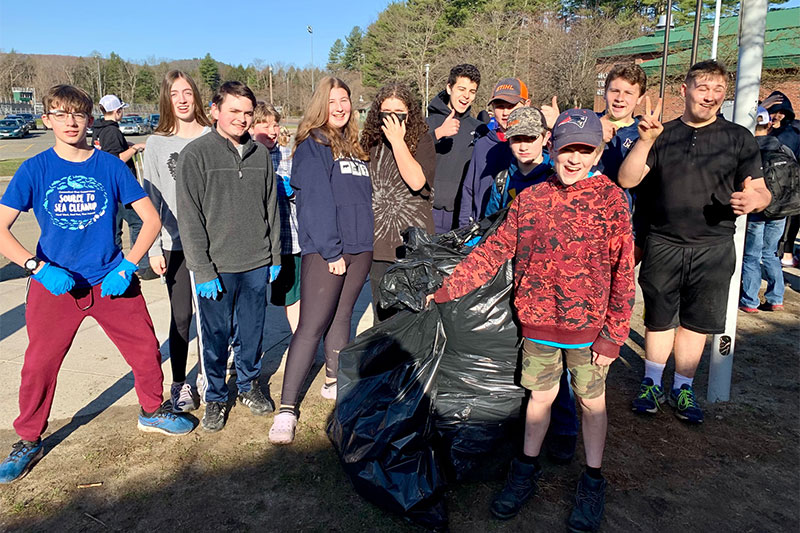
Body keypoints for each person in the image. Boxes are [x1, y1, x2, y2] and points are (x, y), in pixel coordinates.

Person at [430, 109, 634, 531]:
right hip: (540, 325)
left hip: (588, 331)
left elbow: (624, 271)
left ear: (596, 153)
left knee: (590, 403)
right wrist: (449, 288)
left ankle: (593, 479)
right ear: (552, 148)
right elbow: (492, 251)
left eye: (584, 150)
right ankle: (525, 469)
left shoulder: (611, 200)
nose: (574, 158)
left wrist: (614, 334)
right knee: (539, 399)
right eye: (567, 149)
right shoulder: (531, 199)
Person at [0, 85, 194, 484]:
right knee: (39, 365)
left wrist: (127, 266)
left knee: (143, 349)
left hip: (110, 281)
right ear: (47, 119)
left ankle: (152, 412)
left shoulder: (109, 166)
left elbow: (151, 219)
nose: (70, 122)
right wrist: (36, 266)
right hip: (55, 285)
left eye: (78, 114)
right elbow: (1, 228)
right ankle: (29, 439)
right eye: (60, 114)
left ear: (90, 119)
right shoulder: (34, 169)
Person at [619, 60, 771, 424]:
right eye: (704, 88)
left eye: (719, 90)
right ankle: (652, 383)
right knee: (659, 319)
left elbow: (761, 190)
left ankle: (682, 387)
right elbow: (627, 179)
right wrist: (644, 142)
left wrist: (754, 200)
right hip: (663, 241)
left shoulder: (738, 138)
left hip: (714, 247)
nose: (712, 97)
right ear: (684, 91)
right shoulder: (661, 133)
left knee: (697, 322)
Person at [269, 77, 372, 445]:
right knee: (311, 326)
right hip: (329, 250)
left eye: (345, 100)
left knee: (343, 317)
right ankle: (286, 409)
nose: (341, 107)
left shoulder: (354, 147)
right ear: (320, 106)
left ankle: (334, 381)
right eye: (333, 101)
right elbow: (314, 203)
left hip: (361, 248)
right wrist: (331, 251)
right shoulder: (313, 145)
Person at [176, 81, 281, 433]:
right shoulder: (196, 155)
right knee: (216, 334)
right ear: (216, 110)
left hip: (256, 263)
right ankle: (218, 397)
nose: (242, 119)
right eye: (234, 111)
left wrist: (275, 255)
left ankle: (250, 384)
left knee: (252, 330)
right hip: (216, 268)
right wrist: (202, 269)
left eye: (248, 113)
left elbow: (272, 208)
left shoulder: (260, 155)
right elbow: (189, 217)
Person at [142, 70, 212, 413]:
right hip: (176, 245)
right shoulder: (156, 144)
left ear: (196, 96)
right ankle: (180, 382)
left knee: (213, 316)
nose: (183, 99)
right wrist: (154, 248)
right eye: (175, 94)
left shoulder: (212, 137)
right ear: (167, 100)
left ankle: (211, 378)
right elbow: (150, 201)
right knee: (182, 316)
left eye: (187, 92)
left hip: (215, 244)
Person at [360, 83, 436, 323]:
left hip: (413, 244)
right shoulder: (370, 143)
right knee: (383, 317)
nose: (392, 120)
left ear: (409, 114)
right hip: (379, 243)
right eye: (386, 114)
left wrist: (398, 142)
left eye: (399, 114)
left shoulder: (422, 141)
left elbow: (416, 182)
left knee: (412, 318)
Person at [250, 104, 302, 333]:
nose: (272, 131)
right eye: (265, 125)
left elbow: (307, 197)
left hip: (288, 241)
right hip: (254, 247)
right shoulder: (245, 157)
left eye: (275, 124)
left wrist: (293, 193)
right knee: (251, 302)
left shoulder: (288, 155)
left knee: (293, 297)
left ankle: (302, 347)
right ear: (251, 128)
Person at [92, 94, 155, 279]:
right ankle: (141, 265)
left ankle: (114, 264)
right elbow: (115, 159)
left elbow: (108, 149)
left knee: (115, 227)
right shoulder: (111, 131)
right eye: (121, 109)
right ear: (117, 111)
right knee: (139, 223)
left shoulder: (99, 129)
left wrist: (127, 144)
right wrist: (134, 149)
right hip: (119, 188)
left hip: (106, 186)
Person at [458, 77, 532, 227]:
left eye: (511, 106)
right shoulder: (482, 145)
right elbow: (468, 190)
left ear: (527, 104)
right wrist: (464, 228)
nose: (505, 113)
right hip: (481, 231)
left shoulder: (533, 147)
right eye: (499, 106)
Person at [739, 107, 791, 314]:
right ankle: (776, 298)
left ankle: (749, 301)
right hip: (780, 209)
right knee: (770, 254)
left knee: (751, 255)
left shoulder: (748, 151)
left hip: (757, 211)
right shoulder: (783, 149)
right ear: (769, 125)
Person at [425, 64, 485, 233]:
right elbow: (409, 152)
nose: (466, 96)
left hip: (462, 217)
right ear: (449, 88)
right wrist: (437, 134)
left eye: (472, 91)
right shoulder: (427, 124)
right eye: (461, 89)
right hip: (429, 213)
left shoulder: (480, 129)